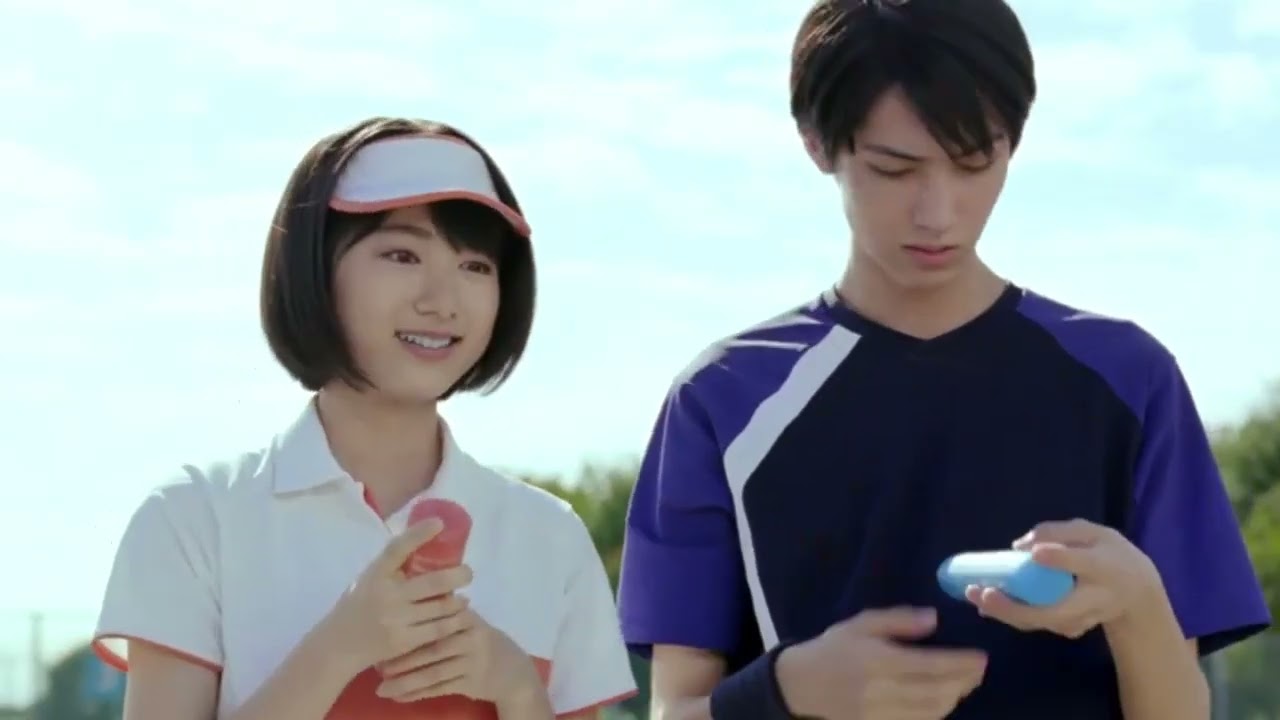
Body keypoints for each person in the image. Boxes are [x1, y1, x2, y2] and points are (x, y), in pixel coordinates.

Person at [616, 1, 1271, 718]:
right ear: (816, 143)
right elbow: (675, 707)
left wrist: (1138, 603)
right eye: (894, 169)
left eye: (974, 163)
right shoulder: (722, 398)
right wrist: (789, 690)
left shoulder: (1128, 379)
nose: (939, 213)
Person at [92, 117, 637, 720]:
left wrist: (517, 689)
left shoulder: (549, 536)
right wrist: (340, 647)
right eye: (402, 255)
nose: (442, 300)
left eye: (476, 266)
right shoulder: (194, 519)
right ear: (312, 270)